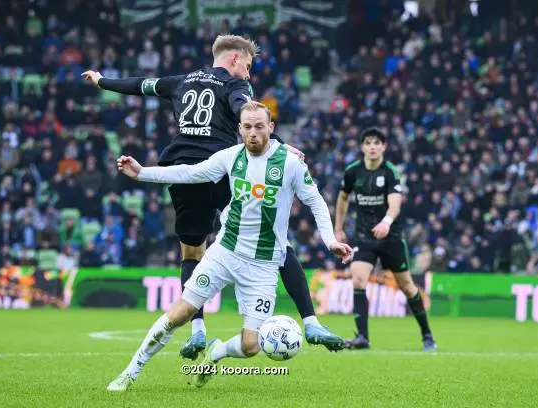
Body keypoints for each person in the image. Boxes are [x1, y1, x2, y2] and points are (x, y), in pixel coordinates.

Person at [82, 34, 345, 357]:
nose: (248, 74)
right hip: (223, 170)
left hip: (182, 170)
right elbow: (246, 115)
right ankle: (311, 321)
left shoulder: (180, 81)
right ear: (234, 59)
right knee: (276, 242)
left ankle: (197, 330)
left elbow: (140, 85)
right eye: (247, 66)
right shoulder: (236, 87)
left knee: (192, 252)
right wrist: (277, 146)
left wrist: (102, 81)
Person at [106, 101, 353, 391]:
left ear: (270, 128)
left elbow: (316, 202)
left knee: (251, 346)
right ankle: (130, 372)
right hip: (225, 252)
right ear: (239, 129)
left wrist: (330, 240)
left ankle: (217, 352)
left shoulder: (289, 163)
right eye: (247, 127)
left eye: (259, 127)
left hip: (263, 266)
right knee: (180, 314)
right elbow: (189, 173)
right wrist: (143, 173)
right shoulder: (230, 157)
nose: (253, 133)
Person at [334, 127, 437, 351]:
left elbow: (395, 203)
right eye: (368, 142)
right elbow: (342, 198)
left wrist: (386, 222)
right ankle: (362, 337)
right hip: (364, 236)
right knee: (358, 279)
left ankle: (427, 335)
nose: (372, 147)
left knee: (408, 287)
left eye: (377, 143)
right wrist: (338, 228)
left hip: (391, 237)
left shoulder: (390, 172)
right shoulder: (353, 172)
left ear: (383, 146)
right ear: (362, 147)